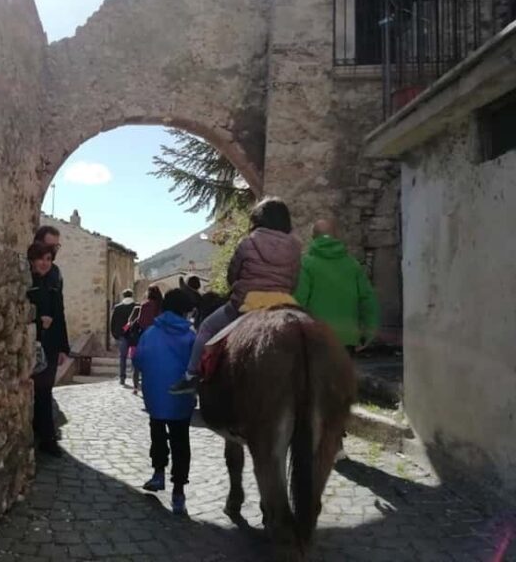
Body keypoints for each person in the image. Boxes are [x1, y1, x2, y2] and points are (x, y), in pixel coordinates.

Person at [169, 197, 301, 394]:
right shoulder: (295, 246)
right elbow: (294, 280)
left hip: (246, 304)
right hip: (282, 304)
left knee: (206, 327)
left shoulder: (248, 242)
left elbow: (233, 275)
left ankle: (191, 376)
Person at [294, 218, 380, 461]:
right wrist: (368, 331)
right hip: (346, 339)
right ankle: (336, 442)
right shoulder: (352, 265)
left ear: (313, 237)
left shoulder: (307, 264)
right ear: (337, 236)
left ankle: (327, 441)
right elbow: (368, 299)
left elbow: (299, 301)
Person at [132, 288, 196, 515]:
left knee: (157, 434)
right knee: (181, 442)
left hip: (155, 397)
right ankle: (178, 491)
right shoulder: (191, 337)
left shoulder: (150, 333)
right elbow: (196, 367)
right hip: (181, 399)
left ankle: (158, 474)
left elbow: (138, 359)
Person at [26, 241, 70, 458]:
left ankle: (46, 437)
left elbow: (60, 314)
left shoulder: (53, 283)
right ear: (32, 259)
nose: (44, 263)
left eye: (48, 259)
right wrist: (36, 319)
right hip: (31, 345)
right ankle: (46, 437)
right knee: (38, 391)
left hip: (50, 346)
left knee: (45, 391)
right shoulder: (26, 282)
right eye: (41, 258)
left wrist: (64, 348)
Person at [126, 285, 163, 394]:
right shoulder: (162, 306)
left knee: (138, 364)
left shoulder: (145, 305)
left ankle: (136, 387)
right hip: (158, 338)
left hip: (145, 337)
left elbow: (141, 322)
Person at [110, 289, 138, 386]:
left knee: (123, 357)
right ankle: (136, 378)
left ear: (123, 296)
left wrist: (115, 335)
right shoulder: (137, 306)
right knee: (134, 357)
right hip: (134, 335)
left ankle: (122, 378)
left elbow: (112, 323)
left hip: (122, 336)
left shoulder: (117, 308)